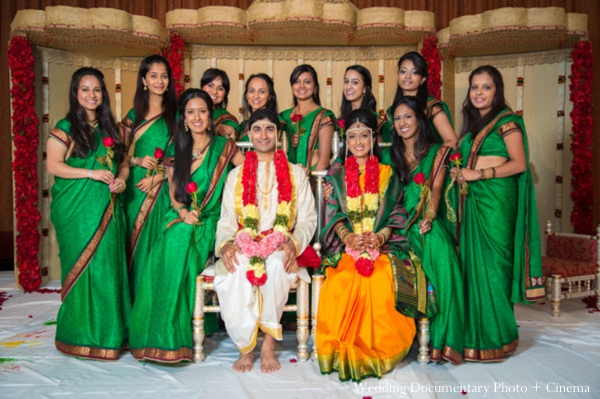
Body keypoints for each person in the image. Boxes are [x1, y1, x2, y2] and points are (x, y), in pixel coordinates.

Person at [128, 89, 243, 363]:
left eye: (202, 111)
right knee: (167, 244)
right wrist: (181, 210)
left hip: (211, 218)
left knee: (181, 240)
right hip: (179, 214)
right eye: (190, 112)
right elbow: (172, 191)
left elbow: (249, 172)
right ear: (183, 118)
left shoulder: (225, 148)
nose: (197, 117)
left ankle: (176, 335)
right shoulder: (175, 149)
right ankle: (158, 335)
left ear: (210, 114)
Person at [451, 65, 545, 361]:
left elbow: (519, 163)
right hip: (472, 200)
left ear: (497, 91)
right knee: (472, 267)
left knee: (494, 267)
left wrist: (480, 174)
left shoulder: (507, 121)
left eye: (486, 87)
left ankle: (498, 336)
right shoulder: (472, 126)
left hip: (496, 201)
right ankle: (473, 337)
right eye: (474, 87)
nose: (479, 93)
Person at [214, 109, 318, 373]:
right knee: (238, 267)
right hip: (244, 242)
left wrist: (293, 243)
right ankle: (246, 348)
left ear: (279, 134)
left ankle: (268, 345)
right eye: (257, 129)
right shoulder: (235, 175)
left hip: (281, 244)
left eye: (269, 129)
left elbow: (307, 219)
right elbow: (226, 220)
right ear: (249, 134)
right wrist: (227, 244)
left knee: (274, 265)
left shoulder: (296, 173)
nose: (263, 135)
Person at [316, 109, 416, 382]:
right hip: (347, 249)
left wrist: (380, 237)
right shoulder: (336, 175)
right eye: (352, 137)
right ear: (344, 141)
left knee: (381, 280)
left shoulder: (388, 173)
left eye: (364, 135)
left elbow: (398, 213)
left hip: (382, 249)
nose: (358, 142)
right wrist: (347, 237)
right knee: (342, 281)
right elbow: (333, 213)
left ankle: (381, 350)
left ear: (373, 138)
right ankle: (342, 348)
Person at [47, 67, 130, 360]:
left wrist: (122, 178)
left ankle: (110, 335)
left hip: (107, 209)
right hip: (76, 210)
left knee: (106, 266)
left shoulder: (113, 129)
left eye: (96, 90)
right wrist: (91, 173)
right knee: (82, 268)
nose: (91, 95)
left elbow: (124, 163)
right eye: (85, 89)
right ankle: (79, 335)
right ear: (75, 93)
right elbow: (54, 165)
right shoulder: (66, 126)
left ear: (103, 94)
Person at [386, 96, 465, 363]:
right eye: (397, 119)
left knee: (441, 252)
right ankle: (409, 337)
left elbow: (435, 192)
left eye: (407, 116)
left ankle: (444, 340)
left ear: (419, 120)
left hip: (425, 219)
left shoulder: (437, 153)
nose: (402, 123)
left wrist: (428, 217)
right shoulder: (389, 154)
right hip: (397, 224)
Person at [121, 54, 177, 298]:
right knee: (134, 245)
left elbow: (184, 156)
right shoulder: (134, 115)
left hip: (166, 187)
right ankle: (133, 305)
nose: (159, 81)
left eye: (164, 76)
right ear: (144, 80)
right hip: (136, 187)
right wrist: (137, 160)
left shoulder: (176, 114)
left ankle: (154, 306)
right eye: (153, 75)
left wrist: (159, 176)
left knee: (159, 248)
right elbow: (118, 154)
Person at [386, 52, 456, 148]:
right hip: (398, 162)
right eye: (403, 71)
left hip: (428, 161)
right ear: (398, 75)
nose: (407, 76)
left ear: (423, 79)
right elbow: (386, 146)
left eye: (414, 72)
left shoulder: (431, 106)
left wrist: (428, 159)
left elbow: (452, 141)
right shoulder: (391, 112)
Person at [280, 64, 335, 172]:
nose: (301, 86)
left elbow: (324, 160)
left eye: (307, 82)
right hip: (285, 179)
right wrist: (287, 141)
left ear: (315, 87)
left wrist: (309, 183)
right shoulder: (282, 116)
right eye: (297, 82)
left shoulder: (324, 116)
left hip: (312, 179)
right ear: (292, 87)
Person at [238, 73, 291, 150]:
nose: (256, 96)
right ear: (246, 95)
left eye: (262, 92)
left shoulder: (279, 123)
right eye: (251, 91)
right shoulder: (243, 125)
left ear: (269, 96)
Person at [338, 65, 388, 138]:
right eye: (346, 81)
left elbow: (382, 147)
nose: (348, 87)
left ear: (365, 88)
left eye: (355, 82)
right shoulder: (340, 120)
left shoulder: (376, 121)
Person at [201, 68, 240, 140]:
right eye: (210, 85)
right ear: (201, 86)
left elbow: (234, 133)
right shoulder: (186, 111)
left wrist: (230, 131)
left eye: (220, 88)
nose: (214, 91)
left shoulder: (227, 118)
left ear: (225, 94)